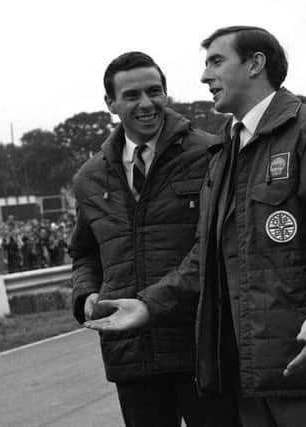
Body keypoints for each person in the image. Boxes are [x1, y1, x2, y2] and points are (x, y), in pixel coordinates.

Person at [85, 27, 306, 426]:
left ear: (255, 64)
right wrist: (149, 306)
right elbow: (207, 258)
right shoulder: (226, 149)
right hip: (246, 369)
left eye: (216, 61)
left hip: (303, 362)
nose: (203, 77)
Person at [68, 52, 213, 427]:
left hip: (203, 346)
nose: (146, 104)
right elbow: (84, 252)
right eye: (132, 95)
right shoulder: (89, 177)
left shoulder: (212, 153)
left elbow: (218, 245)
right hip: (131, 353)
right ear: (110, 104)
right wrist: (86, 293)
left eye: (155, 91)